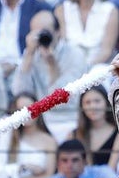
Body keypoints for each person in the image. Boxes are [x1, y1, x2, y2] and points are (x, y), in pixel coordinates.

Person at [12, 10, 88, 141]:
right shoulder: (31, 54)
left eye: (45, 31)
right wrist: (29, 55)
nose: (41, 36)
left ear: (58, 32)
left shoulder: (75, 55)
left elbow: (64, 102)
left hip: (68, 120)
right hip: (39, 122)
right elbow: (18, 91)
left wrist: (53, 66)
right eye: (36, 32)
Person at [0, 92, 59, 178]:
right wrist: (23, 168)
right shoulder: (8, 136)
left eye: (30, 108)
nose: (26, 113)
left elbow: (49, 176)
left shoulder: (49, 141)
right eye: (21, 110)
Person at [20, 138, 117, 178]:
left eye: (75, 160)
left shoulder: (100, 172)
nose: (69, 165)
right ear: (58, 163)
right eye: (64, 160)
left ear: (84, 161)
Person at [55, 0, 119, 68]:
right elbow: (62, 44)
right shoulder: (62, 9)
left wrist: (85, 68)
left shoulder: (111, 10)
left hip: (98, 66)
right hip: (68, 65)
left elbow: (106, 51)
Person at [69, 85, 119, 171]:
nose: (92, 106)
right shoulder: (73, 135)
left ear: (106, 102)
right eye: (87, 102)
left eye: (97, 101)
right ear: (82, 107)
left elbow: (111, 169)